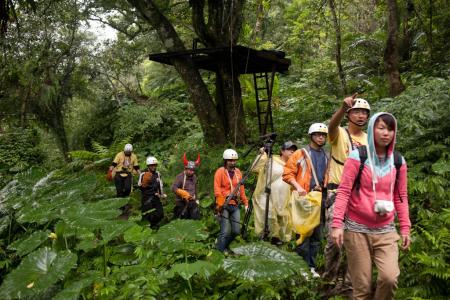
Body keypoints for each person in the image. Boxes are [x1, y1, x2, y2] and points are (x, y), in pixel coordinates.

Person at [330, 112, 411, 299]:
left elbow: (401, 197)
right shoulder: (358, 157)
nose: (386, 133)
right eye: (381, 128)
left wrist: (405, 228)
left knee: (389, 278)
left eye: (390, 129)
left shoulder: (398, 162)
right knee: (362, 288)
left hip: (386, 230)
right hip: (357, 230)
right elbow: (343, 192)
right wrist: (337, 225)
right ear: (372, 129)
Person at [323, 94, 370, 292]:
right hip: (337, 192)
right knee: (335, 241)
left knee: (357, 240)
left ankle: (350, 283)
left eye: (364, 113)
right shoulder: (340, 134)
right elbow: (331, 127)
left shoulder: (369, 139)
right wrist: (342, 109)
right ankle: (329, 279)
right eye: (357, 112)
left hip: (359, 195)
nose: (361, 116)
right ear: (350, 114)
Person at [283, 123, 329, 278]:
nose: (321, 137)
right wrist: (298, 187)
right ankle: (301, 267)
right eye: (317, 134)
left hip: (319, 199)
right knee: (303, 234)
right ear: (311, 136)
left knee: (317, 234)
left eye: (323, 135)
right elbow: (287, 174)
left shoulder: (326, 155)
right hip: (304, 200)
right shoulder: (300, 154)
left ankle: (311, 266)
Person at [252, 141, 297, 244]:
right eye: (289, 149)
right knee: (270, 215)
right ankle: (271, 237)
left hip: (282, 198)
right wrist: (263, 155)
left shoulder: (293, 166)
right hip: (266, 194)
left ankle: (278, 241)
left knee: (282, 218)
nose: (292, 151)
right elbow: (255, 168)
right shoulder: (271, 161)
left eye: (294, 150)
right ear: (282, 151)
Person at [214, 149, 249, 254]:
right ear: (225, 161)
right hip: (224, 204)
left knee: (236, 231)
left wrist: (246, 203)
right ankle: (219, 252)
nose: (233, 162)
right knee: (224, 231)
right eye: (230, 160)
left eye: (234, 160)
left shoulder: (238, 172)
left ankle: (224, 246)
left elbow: (241, 189)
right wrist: (219, 206)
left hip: (235, 205)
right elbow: (217, 189)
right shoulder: (220, 172)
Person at [109, 143, 140, 214]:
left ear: (131, 151)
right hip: (118, 174)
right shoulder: (119, 154)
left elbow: (136, 167)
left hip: (128, 174)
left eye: (129, 152)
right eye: (126, 152)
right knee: (119, 191)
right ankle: (120, 208)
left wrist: (140, 174)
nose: (127, 153)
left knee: (128, 189)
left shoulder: (134, 156)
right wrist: (110, 170)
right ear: (124, 150)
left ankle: (124, 199)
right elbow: (114, 163)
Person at [138, 156, 166, 228]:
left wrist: (161, 194)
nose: (153, 167)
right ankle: (147, 229)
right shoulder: (143, 174)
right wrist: (144, 184)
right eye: (151, 165)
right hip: (147, 197)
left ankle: (153, 224)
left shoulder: (158, 174)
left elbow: (160, 184)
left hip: (156, 197)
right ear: (148, 166)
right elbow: (140, 186)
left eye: (155, 165)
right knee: (147, 215)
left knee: (160, 214)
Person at [172, 153, 201, 220]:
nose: (192, 172)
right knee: (183, 220)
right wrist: (182, 193)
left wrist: (197, 198)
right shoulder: (180, 177)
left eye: (193, 170)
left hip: (192, 201)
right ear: (186, 169)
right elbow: (173, 188)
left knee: (195, 219)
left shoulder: (194, 177)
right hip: (181, 202)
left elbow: (195, 188)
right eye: (190, 170)